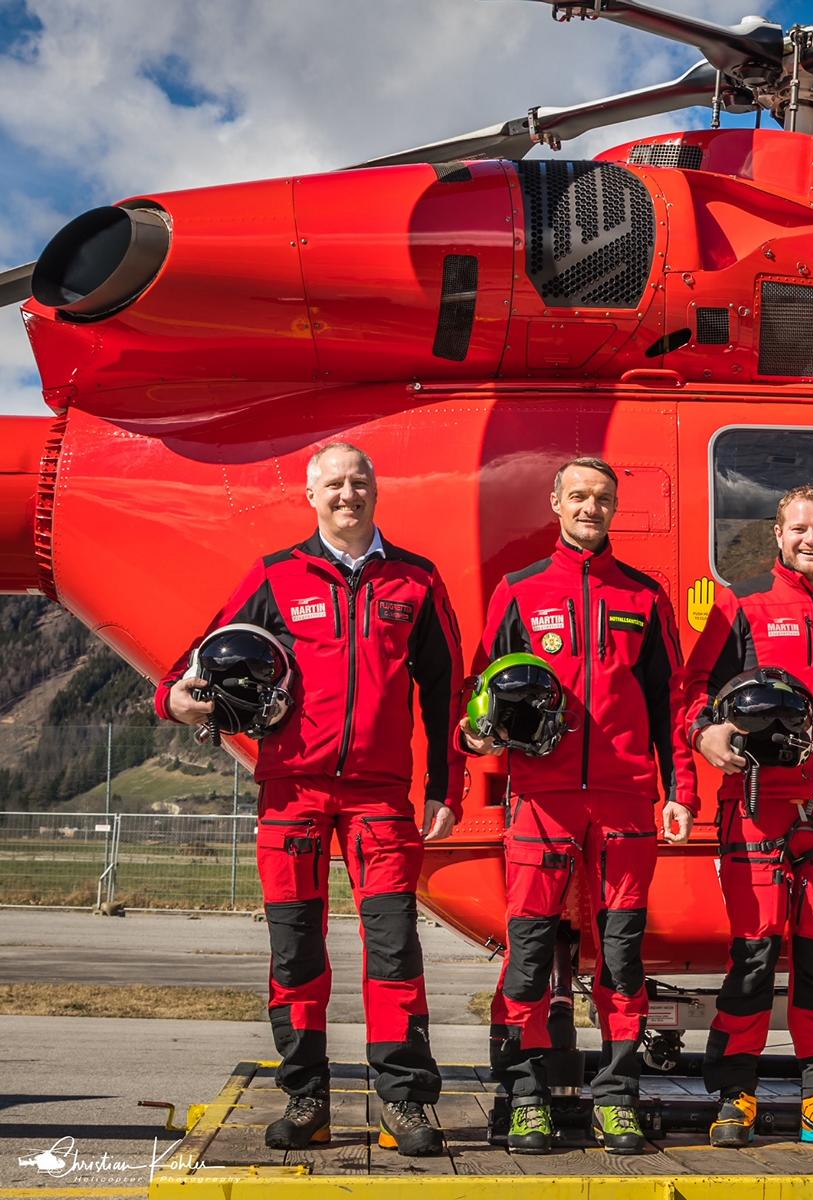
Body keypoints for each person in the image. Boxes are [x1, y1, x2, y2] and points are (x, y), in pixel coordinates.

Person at [155, 442, 460, 1157]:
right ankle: (306, 1097)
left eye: (359, 481)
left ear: (375, 489)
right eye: (334, 484)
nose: (347, 494)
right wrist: (173, 700)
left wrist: (446, 786)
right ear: (311, 496)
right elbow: (199, 658)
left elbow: (445, 690)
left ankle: (404, 1101)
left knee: (393, 949)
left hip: (381, 797)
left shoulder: (416, 580)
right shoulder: (275, 575)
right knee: (295, 951)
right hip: (291, 790)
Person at [462, 457, 697, 1155]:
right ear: (556, 504)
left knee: (621, 959)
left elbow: (671, 704)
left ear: (613, 508)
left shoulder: (644, 597)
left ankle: (617, 1098)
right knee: (530, 955)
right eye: (578, 496)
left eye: (601, 498)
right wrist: (474, 735)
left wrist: (681, 791)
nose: (590, 507)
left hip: (625, 803)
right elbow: (481, 689)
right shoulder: (519, 590)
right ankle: (525, 1097)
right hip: (542, 801)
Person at [679, 485, 813, 1149]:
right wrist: (705, 734)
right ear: (777, 536)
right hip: (757, 805)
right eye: (799, 529)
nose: (811, 539)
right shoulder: (740, 601)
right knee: (753, 956)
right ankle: (735, 1095)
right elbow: (693, 690)